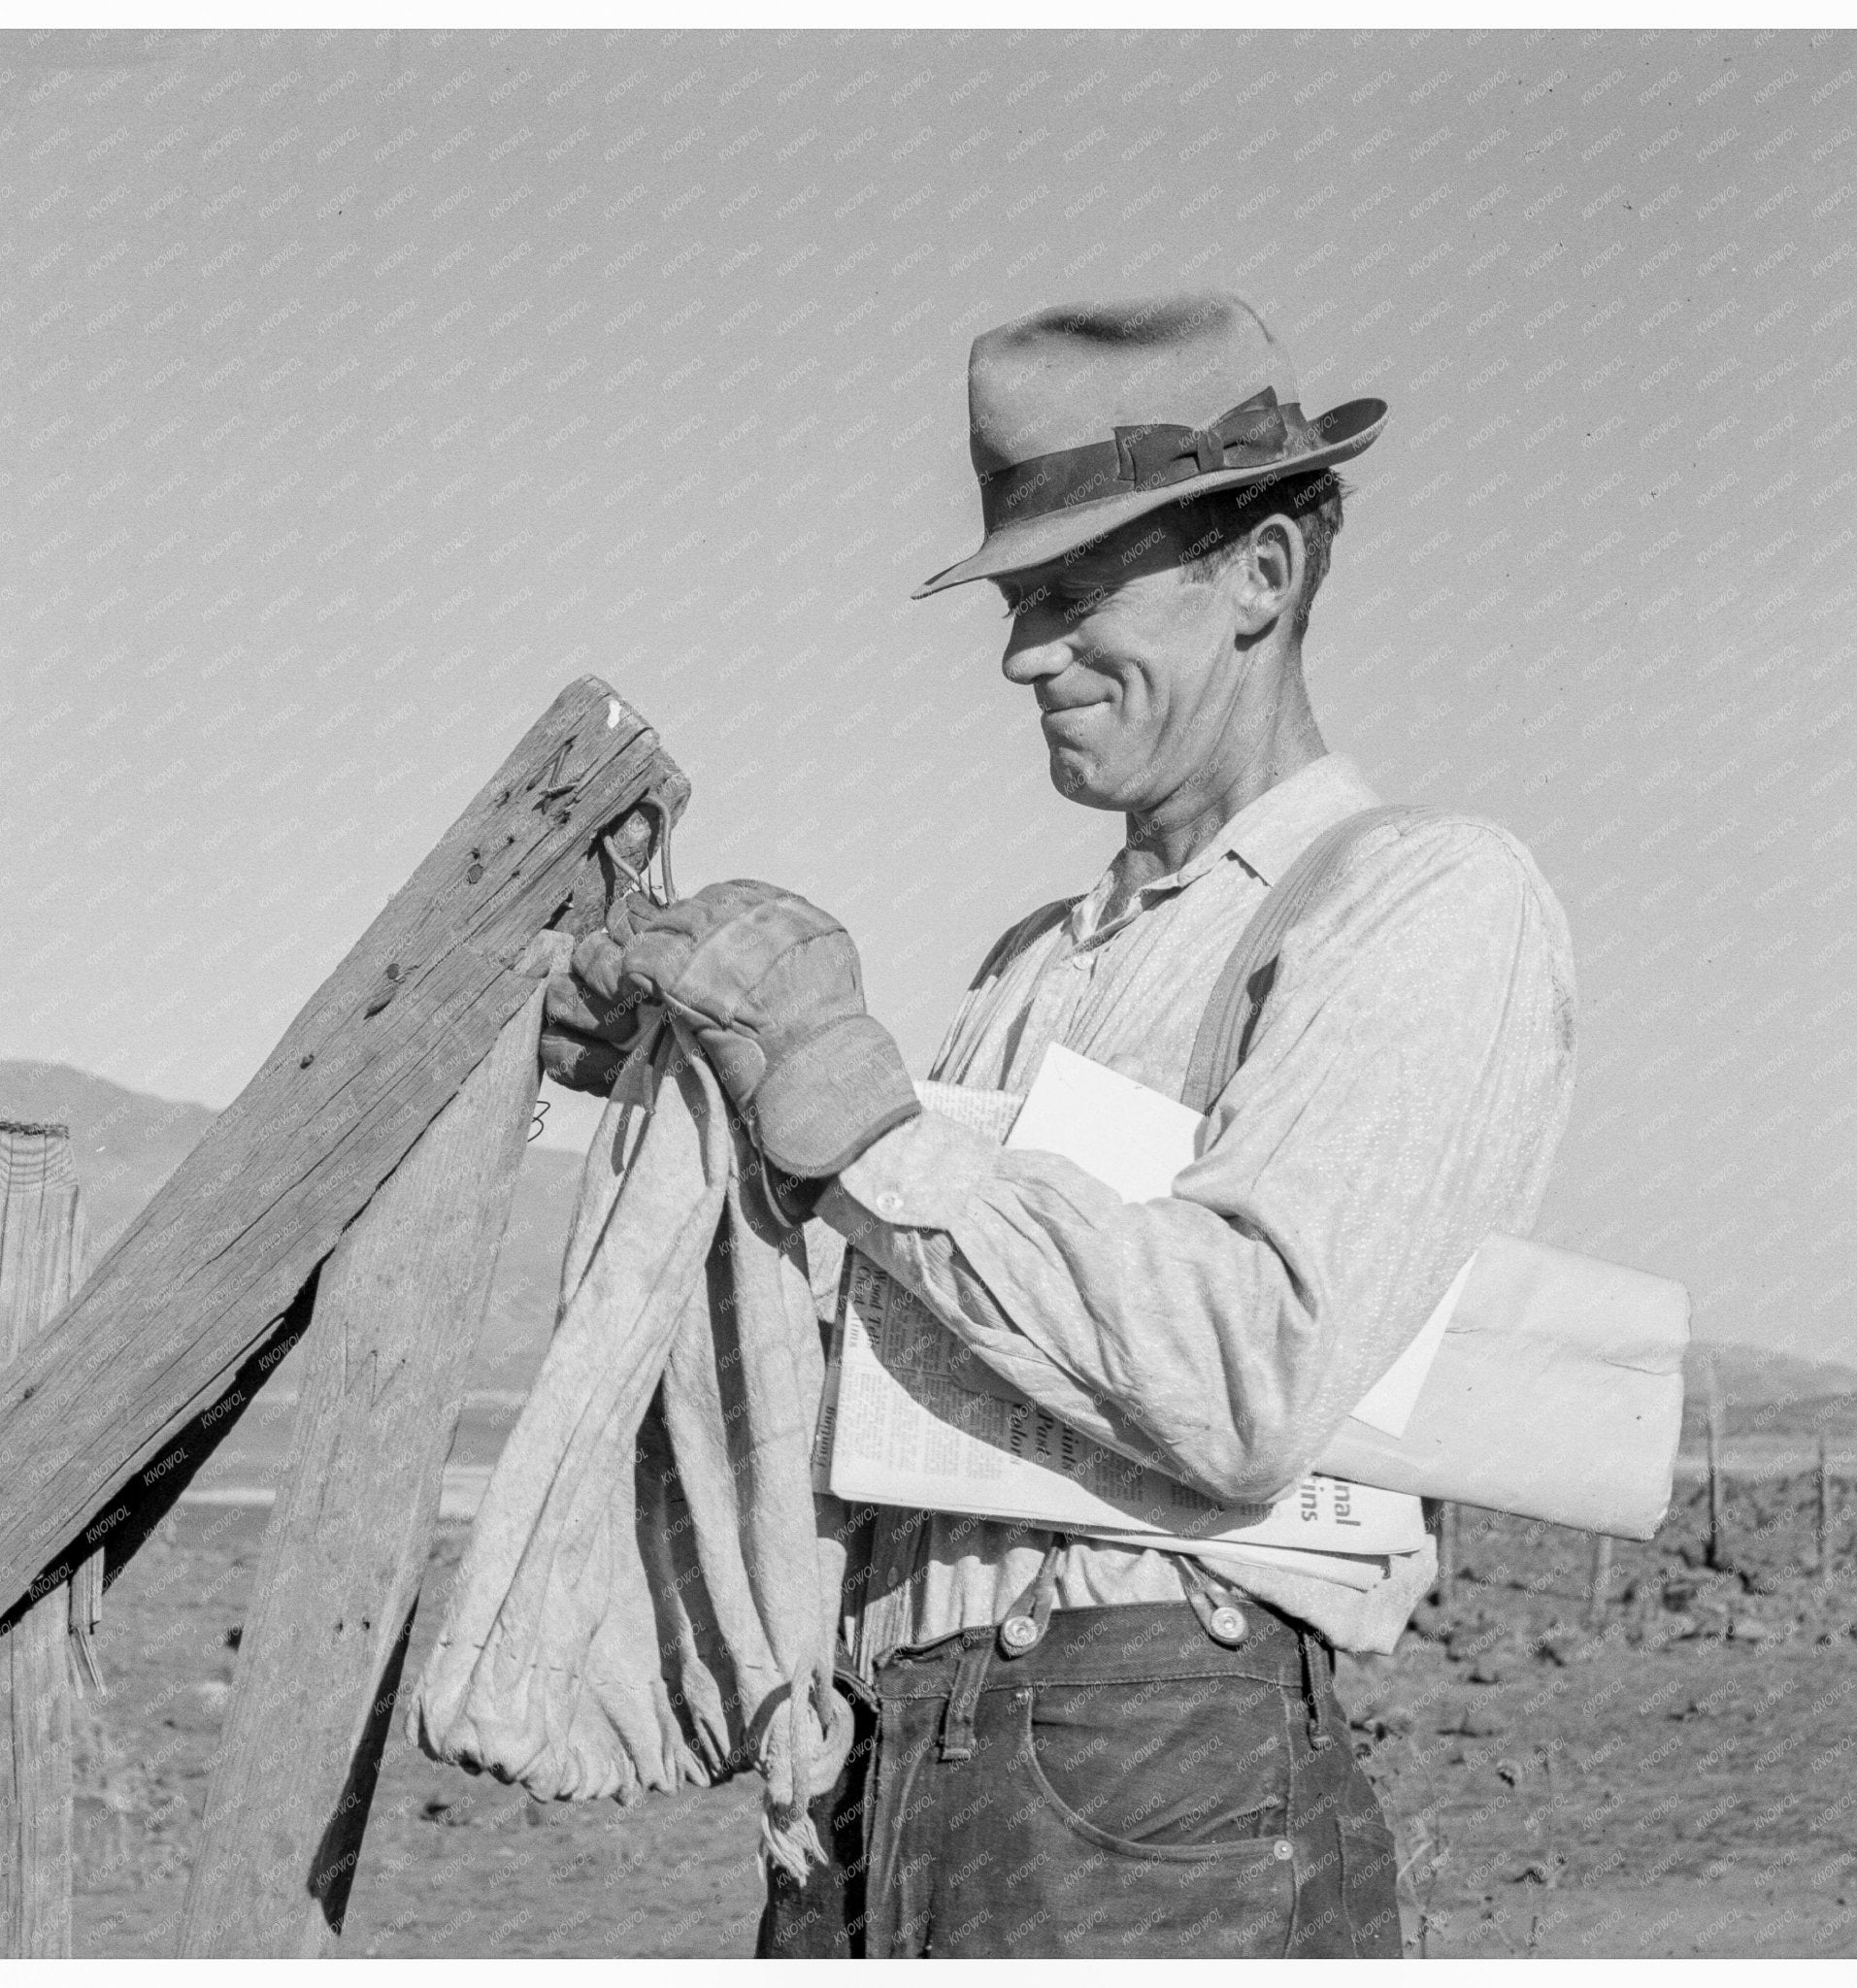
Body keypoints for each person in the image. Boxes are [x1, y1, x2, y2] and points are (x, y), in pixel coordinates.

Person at [542, 293, 1576, 1958]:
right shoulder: (1034, 965)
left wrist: (855, 1119)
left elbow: (1247, 1371)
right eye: (1019, 602)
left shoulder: (1421, 901)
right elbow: (911, 1328)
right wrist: (694, 1097)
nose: (1024, 654)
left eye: (1074, 593)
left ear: (1263, 574)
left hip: (1151, 1766)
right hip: (895, 1750)